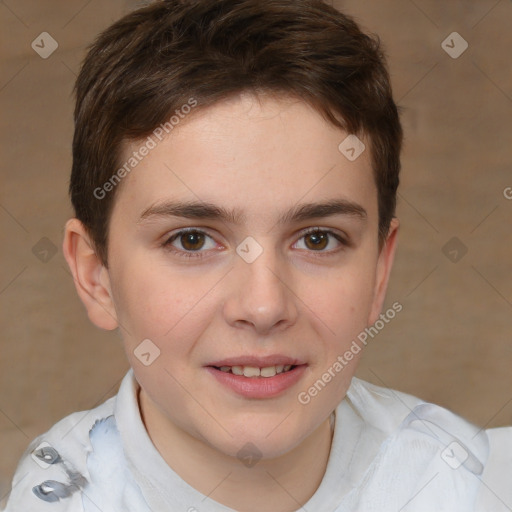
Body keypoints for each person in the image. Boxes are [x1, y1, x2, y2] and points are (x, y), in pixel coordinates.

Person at [3, 0, 511, 510]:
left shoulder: (469, 484)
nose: (264, 306)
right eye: (192, 240)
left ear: (379, 271)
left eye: (317, 239)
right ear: (97, 277)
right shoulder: (55, 497)